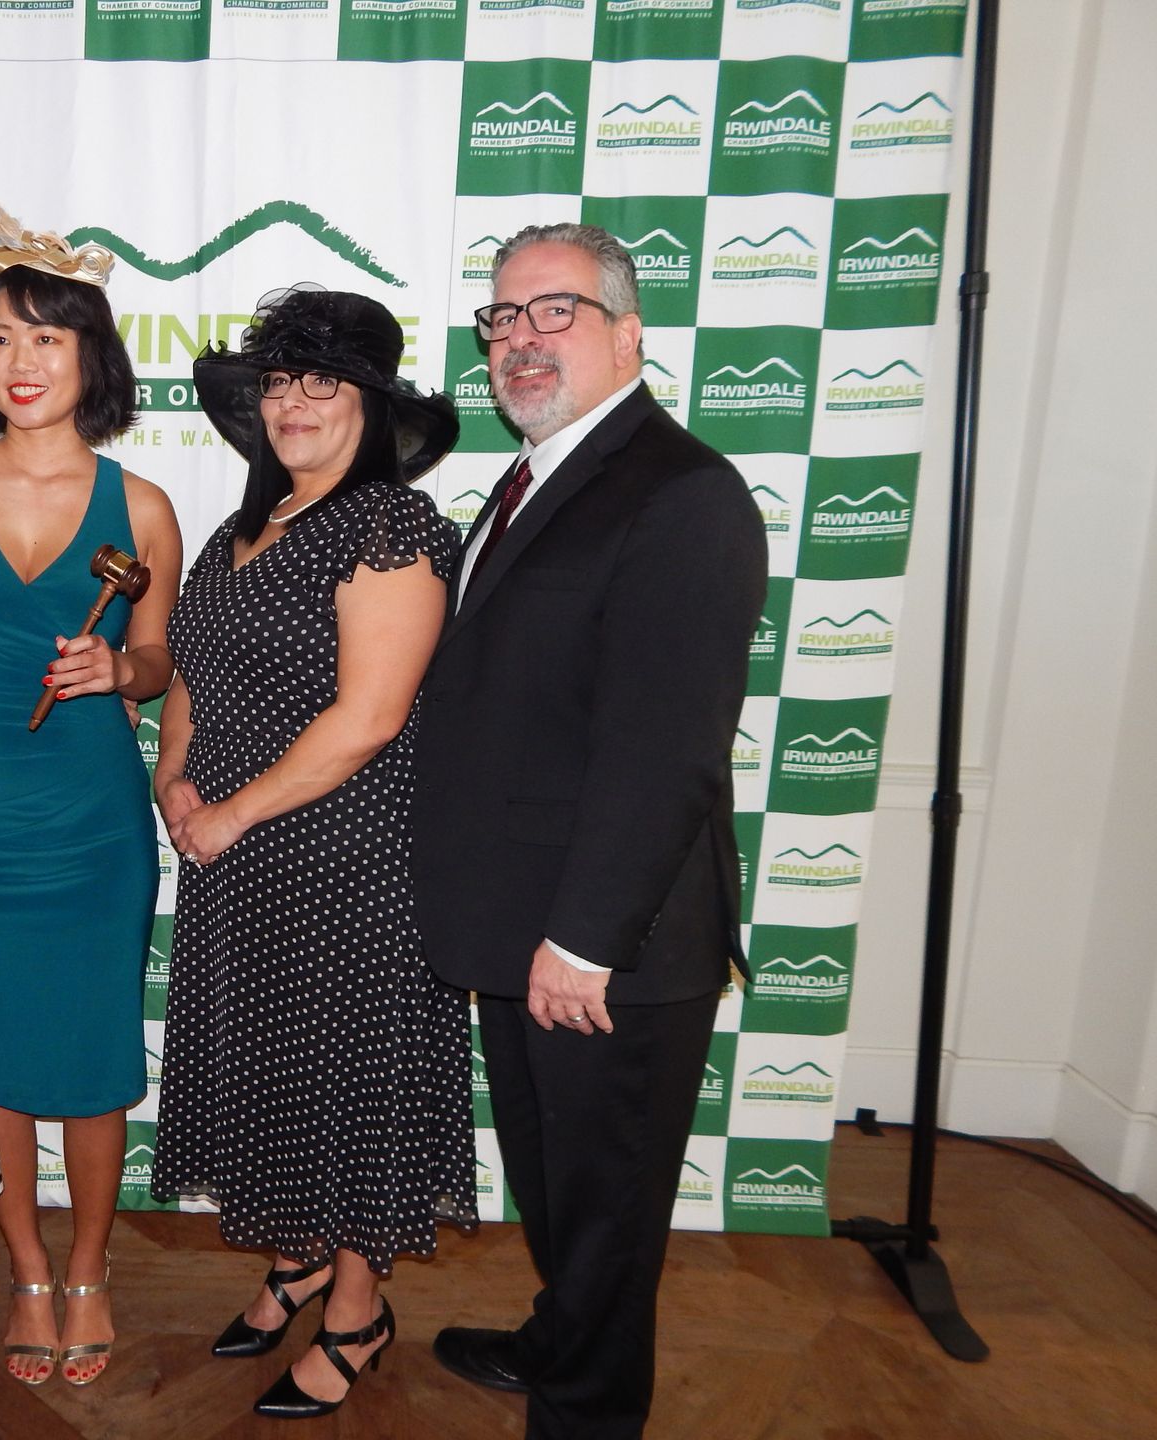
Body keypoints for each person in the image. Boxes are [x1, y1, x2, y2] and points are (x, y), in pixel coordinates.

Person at [413, 223, 768, 1439]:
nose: (520, 339)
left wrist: (585, 940)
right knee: (562, 1190)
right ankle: (560, 1340)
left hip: (608, 944)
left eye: (551, 312)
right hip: (526, 924)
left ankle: (587, 1411)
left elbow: (666, 747)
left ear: (629, 331)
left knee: (608, 1205)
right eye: (502, 319)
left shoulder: (681, 493)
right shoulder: (532, 481)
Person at [150, 285, 478, 1421]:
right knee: (269, 1060)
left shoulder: (393, 531)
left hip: (351, 856)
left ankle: (355, 1307)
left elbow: (371, 717)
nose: (295, 404)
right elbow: (192, 672)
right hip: (234, 855)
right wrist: (174, 777)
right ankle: (294, 1253)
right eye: (279, 382)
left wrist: (228, 813)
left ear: (373, 407)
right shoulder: (238, 530)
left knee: (343, 1074)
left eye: (323, 383)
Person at [0, 205, 180, 1389]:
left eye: (47, 341)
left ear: (91, 359)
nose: (21, 364)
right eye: (1, 339)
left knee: (92, 1050)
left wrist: (121, 668)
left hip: (94, 820)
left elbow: (161, 661)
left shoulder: (144, 505)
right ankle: (22, 1266)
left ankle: (92, 1264)